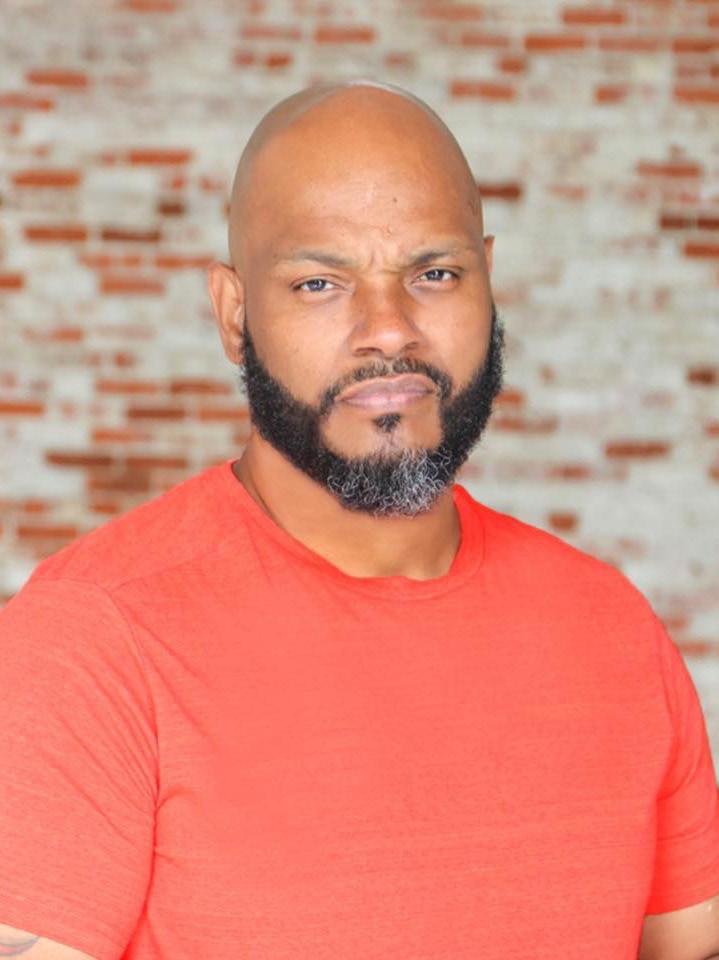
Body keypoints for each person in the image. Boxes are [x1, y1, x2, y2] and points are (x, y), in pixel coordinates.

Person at [0, 79, 717, 960]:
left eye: (434, 274)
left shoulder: (614, 632)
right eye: (318, 283)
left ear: (489, 281)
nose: (388, 329)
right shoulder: (89, 645)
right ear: (233, 315)